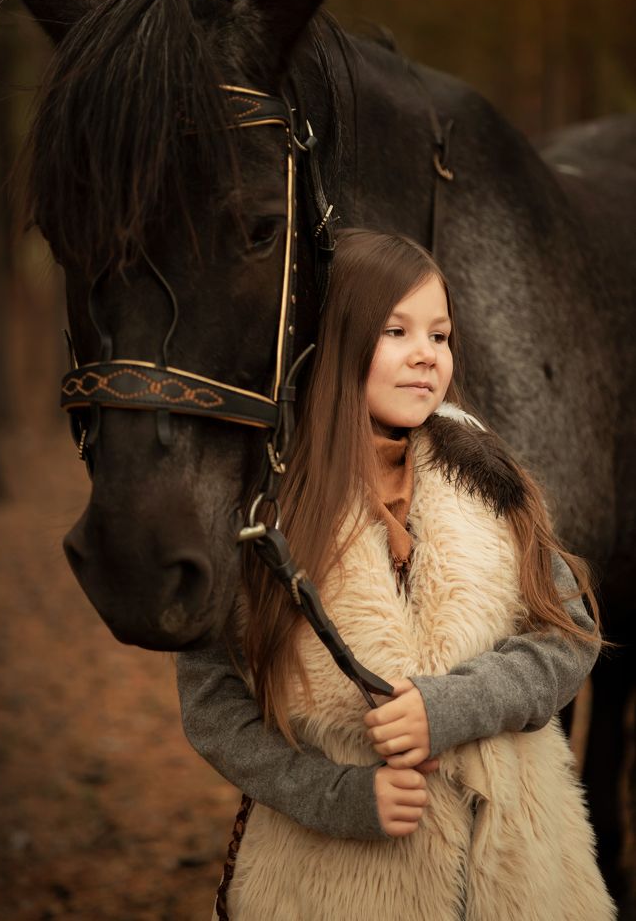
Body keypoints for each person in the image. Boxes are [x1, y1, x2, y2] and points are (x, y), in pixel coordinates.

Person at [176, 229, 615, 920]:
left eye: (439, 336)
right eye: (396, 330)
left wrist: (453, 706)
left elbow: (570, 636)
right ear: (338, 340)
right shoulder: (267, 502)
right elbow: (210, 705)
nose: (426, 356)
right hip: (337, 884)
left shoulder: (483, 469)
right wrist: (338, 796)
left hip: (522, 873)